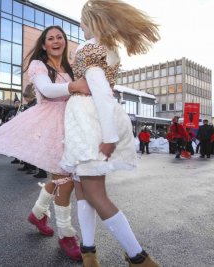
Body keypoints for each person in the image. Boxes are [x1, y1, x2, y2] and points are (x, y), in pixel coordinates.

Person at [59, 1, 161, 266]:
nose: (80, 28)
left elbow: (102, 93)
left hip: (87, 125)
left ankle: (137, 256)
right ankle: (88, 252)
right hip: (86, 124)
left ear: (89, 22)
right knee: (82, 192)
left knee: (94, 194)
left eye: (81, 23)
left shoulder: (90, 50)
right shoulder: (108, 50)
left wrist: (109, 136)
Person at [0, 26, 91, 261]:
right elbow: (46, 89)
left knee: (58, 179)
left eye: (60, 37)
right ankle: (66, 235)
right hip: (51, 124)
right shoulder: (38, 65)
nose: (56, 41)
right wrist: (75, 86)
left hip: (73, 123)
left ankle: (37, 214)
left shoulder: (71, 68)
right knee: (65, 181)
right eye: (50, 38)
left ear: (65, 42)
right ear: (44, 45)